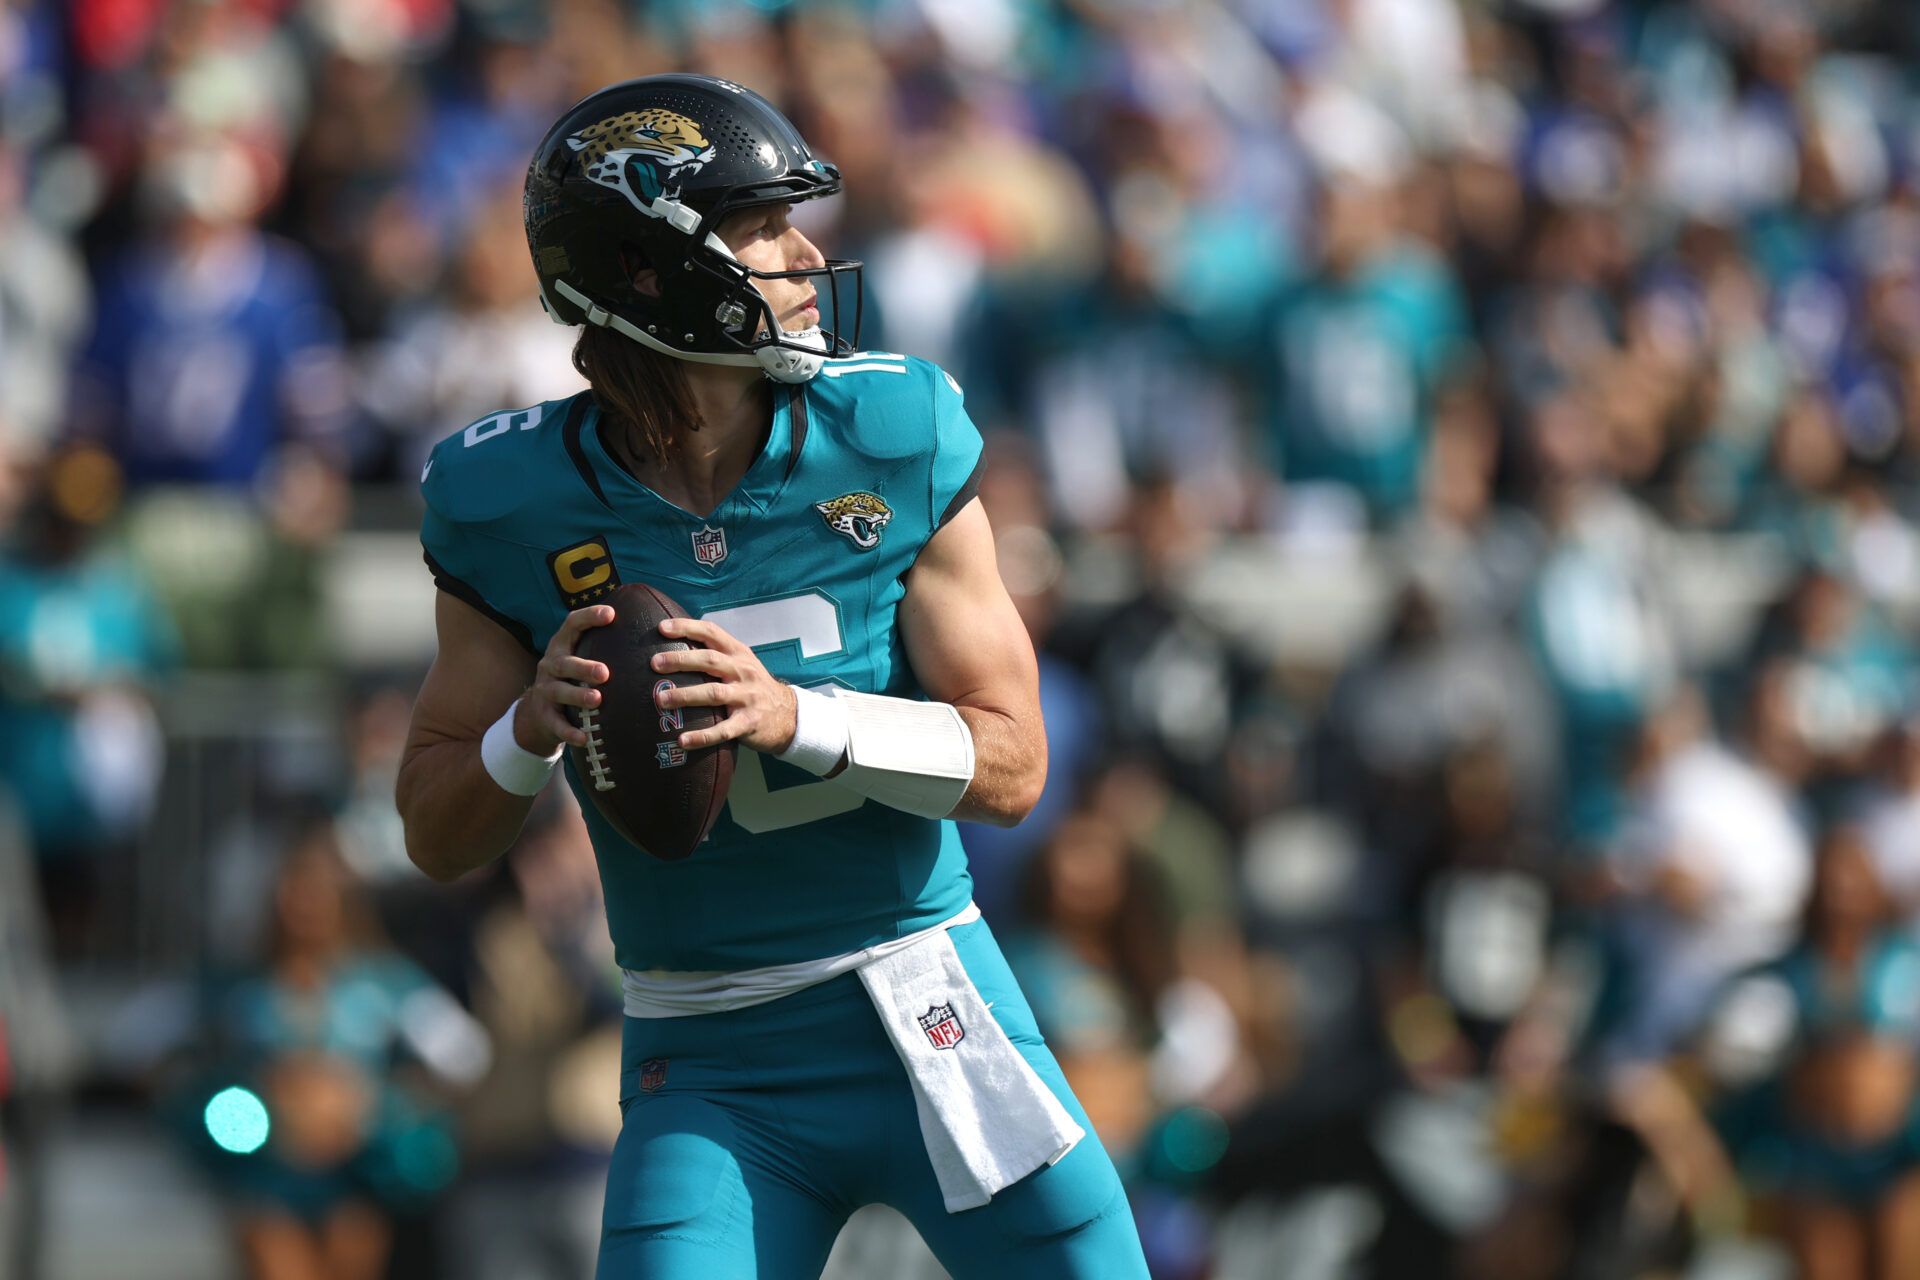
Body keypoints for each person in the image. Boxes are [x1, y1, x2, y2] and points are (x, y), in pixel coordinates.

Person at [395, 74, 1148, 1279]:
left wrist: (799, 716)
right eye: (761, 229)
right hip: (706, 1057)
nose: (803, 254)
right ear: (652, 272)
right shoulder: (506, 503)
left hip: (928, 1006)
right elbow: (435, 828)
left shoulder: (892, 433)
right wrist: (521, 733)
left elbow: (1016, 763)